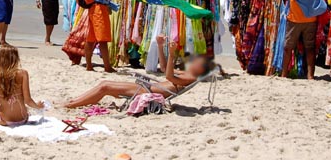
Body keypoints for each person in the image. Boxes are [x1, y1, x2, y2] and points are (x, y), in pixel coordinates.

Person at [65, 41, 217, 108]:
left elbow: (169, 77)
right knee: (104, 84)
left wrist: (172, 55)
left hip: (146, 91)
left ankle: (71, 104)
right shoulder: (187, 73)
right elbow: (164, 69)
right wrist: (160, 46)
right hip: (147, 87)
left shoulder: (191, 77)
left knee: (105, 87)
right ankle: (74, 101)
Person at [281, 0, 326, 79]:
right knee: (310, 47)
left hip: (295, 18)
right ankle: (310, 75)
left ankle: (284, 74)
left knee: (288, 47)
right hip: (311, 17)